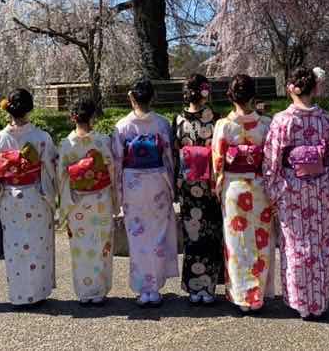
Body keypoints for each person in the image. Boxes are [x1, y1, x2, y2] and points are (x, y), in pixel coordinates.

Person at [263, 66, 329, 320]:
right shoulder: (326, 119)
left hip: (292, 191)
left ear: (291, 89)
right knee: (319, 245)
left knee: (295, 246)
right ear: (314, 88)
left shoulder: (282, 120)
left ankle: (300, 302)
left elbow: (272, 159)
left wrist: (274, 192)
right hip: (321, 190)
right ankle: (319, 302)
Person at [111, 78, 178, 307]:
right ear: (153, 97)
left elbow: (118, 162)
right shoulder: (161, 124)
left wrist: (118, 195)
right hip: (158, 180)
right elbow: (169, 158)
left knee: (137, 236)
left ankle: (143, 289)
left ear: (132, 98)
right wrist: (172, 187)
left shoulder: (122, 126)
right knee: (158, 234)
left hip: (133, 183)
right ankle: (155, 287)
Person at [212, 74, 275, 314]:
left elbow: (218, 162)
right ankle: (257, 296)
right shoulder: (266, 124)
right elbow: (270, 161)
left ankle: (241, 296)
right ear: (253, 95)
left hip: (234, 188)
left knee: (237, 243)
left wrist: (218, 188)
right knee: (260, 241)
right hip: (259, 187)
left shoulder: (224, 125)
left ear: (231, 96)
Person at [0, 89, 58, 308]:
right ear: (30, 108)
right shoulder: (41, 137)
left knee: (14, 246)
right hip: (35, 195)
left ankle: (19, 295)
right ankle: (37, 293)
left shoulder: (0, 139)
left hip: (10, 197)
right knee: (37, 245)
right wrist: (53, 193)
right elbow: (50, 168)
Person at [58, 97, 116, 306]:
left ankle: (84, 292)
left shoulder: (66, 144)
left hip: (77, 203)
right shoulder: (101, 141)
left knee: (80, 247)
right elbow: (111, 170)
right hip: (100, 200)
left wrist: (65, 204)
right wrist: (115, 199)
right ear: (92, 117)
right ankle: (99, 291)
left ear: (72, 117)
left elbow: (62, 178)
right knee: (100, 244)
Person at [173, 74, 222, 305]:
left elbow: (175, 153)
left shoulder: (179, 120)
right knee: (209, 235)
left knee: (193, 236)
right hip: (209, 184)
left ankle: (194, 287)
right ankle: (208, 287)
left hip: (189, 185)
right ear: (205, 92)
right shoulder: (215, 120)